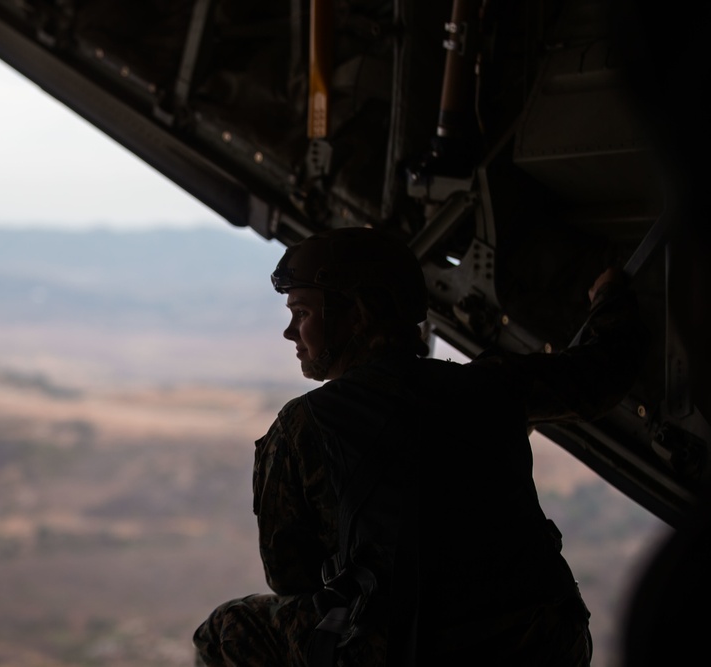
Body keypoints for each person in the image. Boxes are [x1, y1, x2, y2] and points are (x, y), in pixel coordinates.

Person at [193, 226, 648, 667]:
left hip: (415, 650)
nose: (291, 333)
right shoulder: (494, 385)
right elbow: (601, 373)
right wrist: (609, 294)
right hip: (545, 644)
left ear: (356, 315)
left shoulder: (301, 426)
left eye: (303, 313)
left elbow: (290, 577)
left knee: (227, 629)